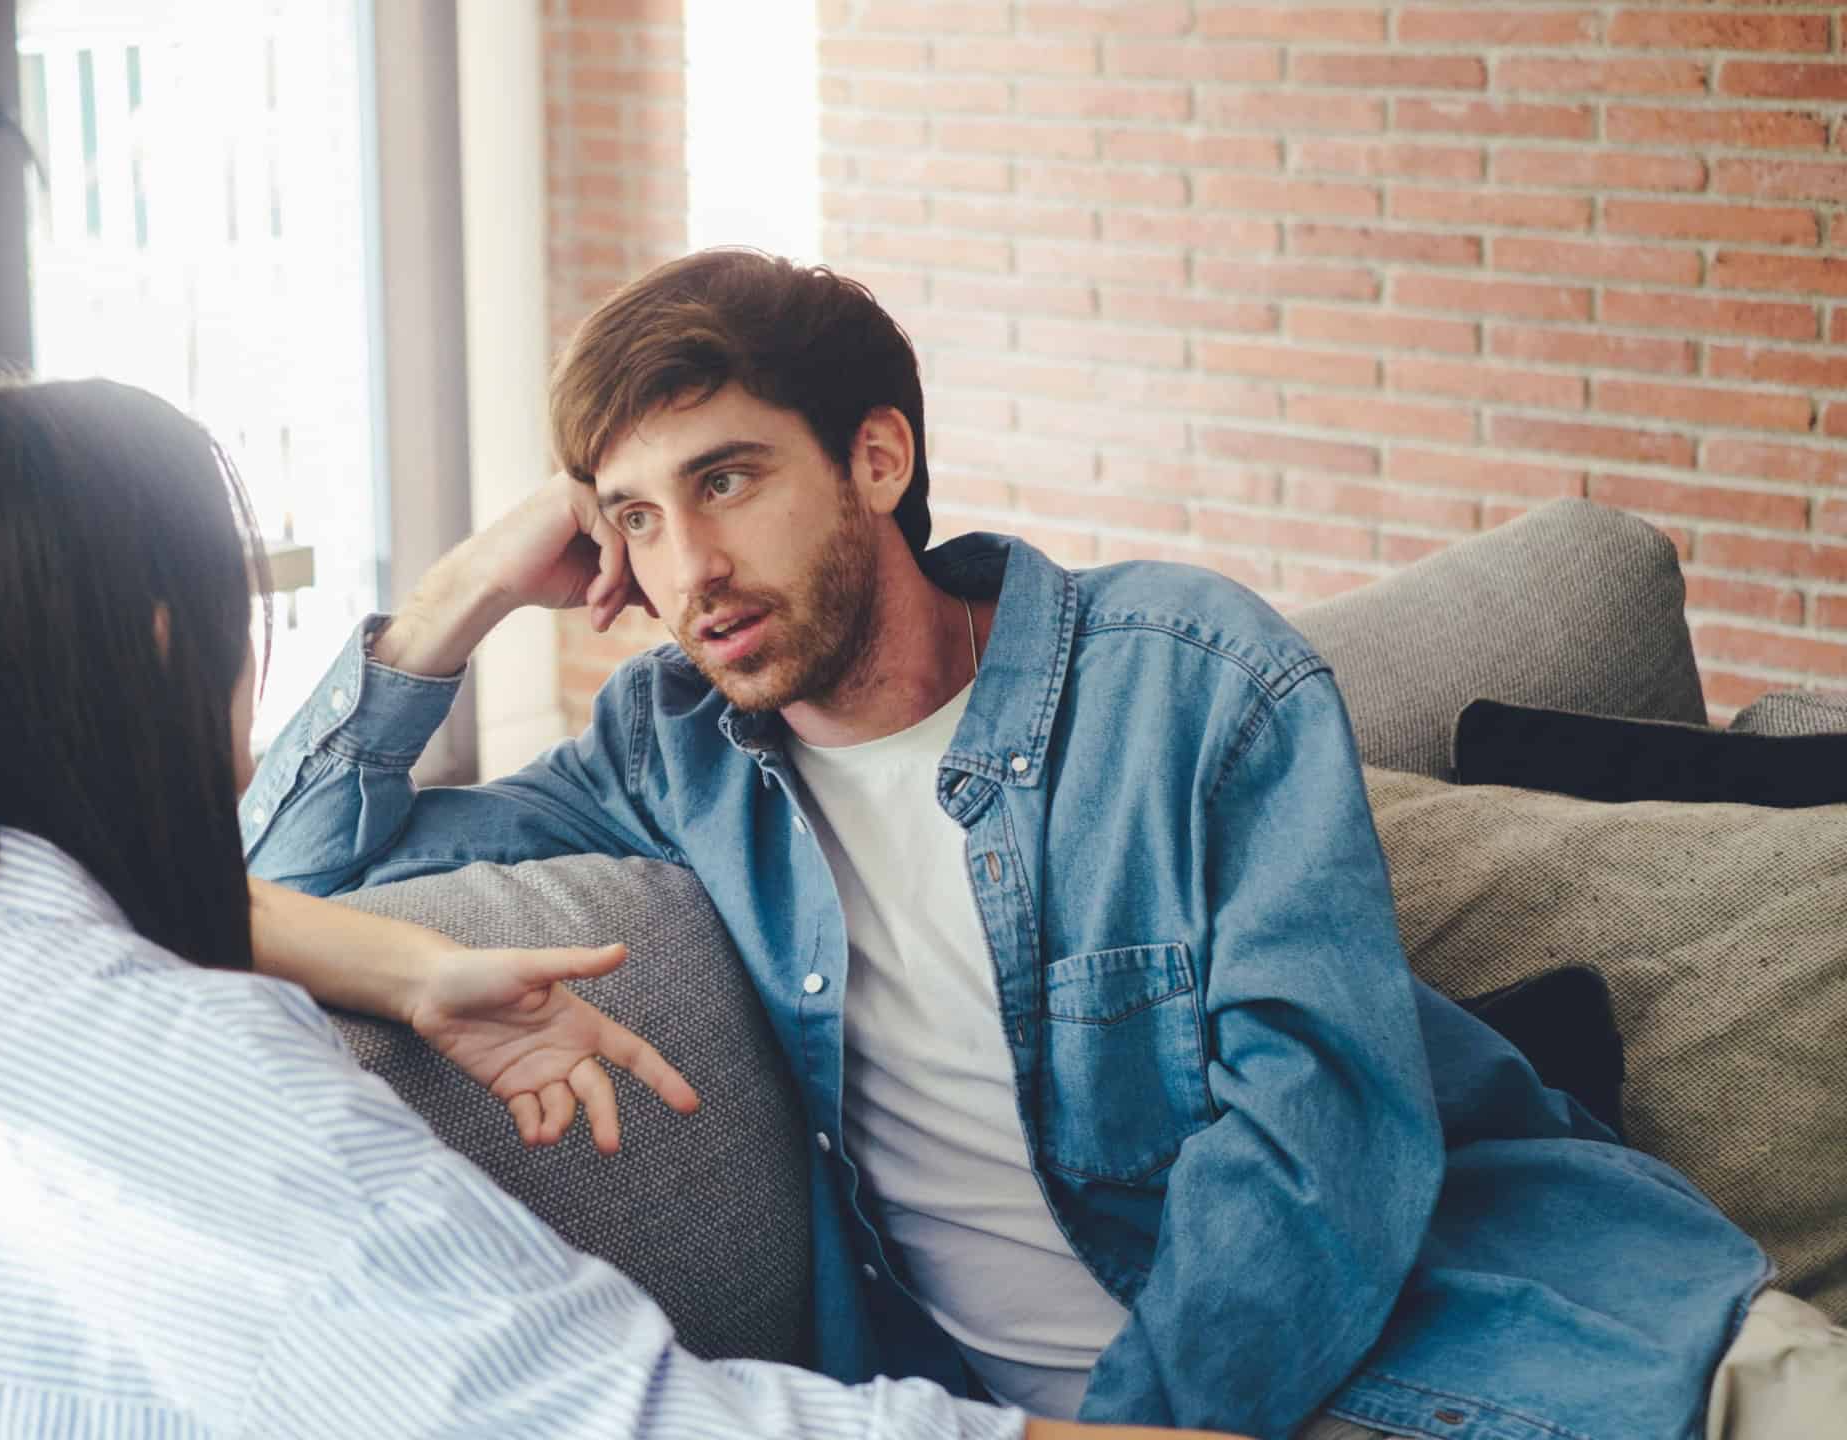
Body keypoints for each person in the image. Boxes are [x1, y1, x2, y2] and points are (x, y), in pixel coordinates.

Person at [243, 249, 1847, 1440]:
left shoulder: (1186, 677)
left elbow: (1319, 1128)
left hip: (1554, 1355)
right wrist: (452, 597)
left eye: (725, 481)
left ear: (877, 460)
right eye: (636, 516)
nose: (691, 569)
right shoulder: (670, 751)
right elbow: (282, 879)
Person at [0, 377, 1232, 1440]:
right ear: (171, 640)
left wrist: (403, 964)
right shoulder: (184, 1072)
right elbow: (604, 1416)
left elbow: (216, 901)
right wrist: (458, 604)